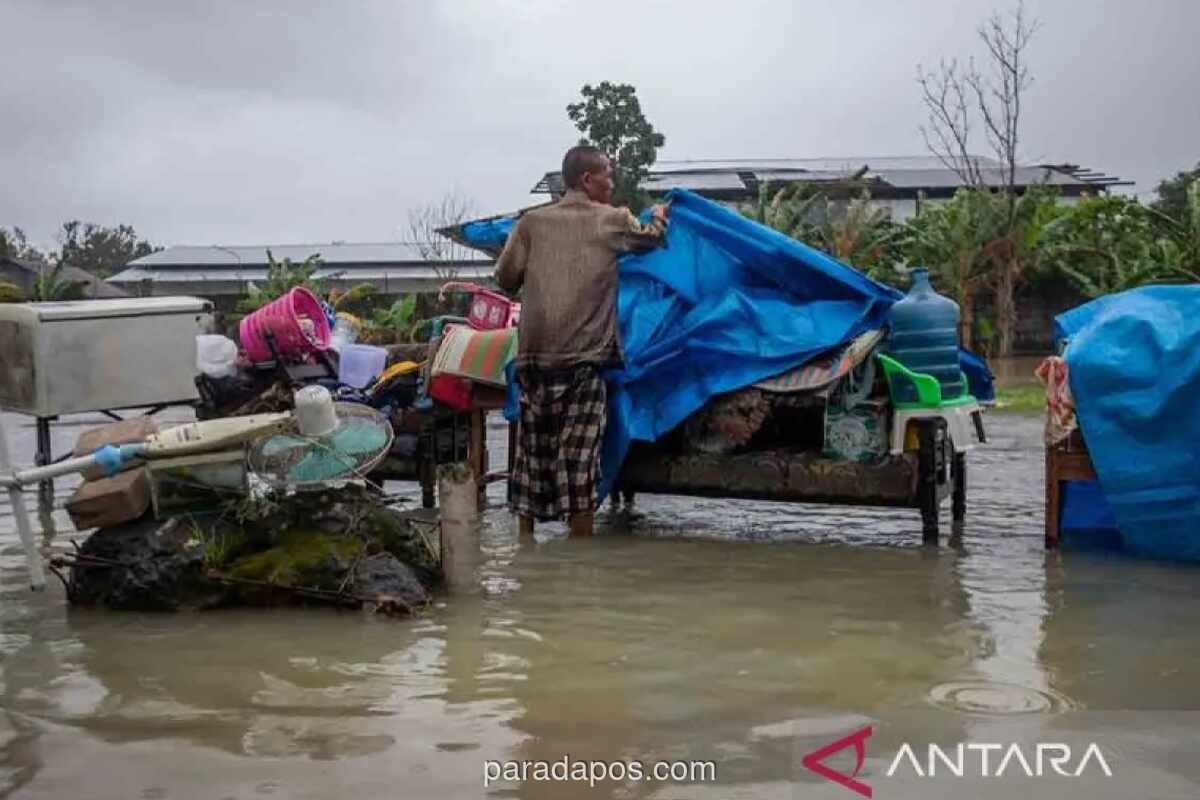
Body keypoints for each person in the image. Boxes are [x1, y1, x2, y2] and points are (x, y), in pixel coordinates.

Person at [495, 145, 669, 537]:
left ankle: (527, 557)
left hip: (534, 361)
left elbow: (505, 280)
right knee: (578, 467)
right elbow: (652, 239)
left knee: (531, 462)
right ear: (587, 180)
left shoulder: (529, 223)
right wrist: (659, 215)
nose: (612, 181)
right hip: (583, 363)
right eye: (607, 173)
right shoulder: (612, 220)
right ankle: (578, 566)